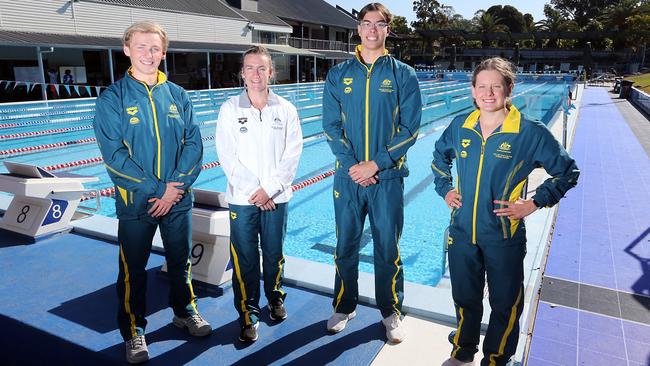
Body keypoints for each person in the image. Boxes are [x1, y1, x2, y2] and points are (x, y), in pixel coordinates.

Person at [431, 57, 579, 366]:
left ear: (508, 89)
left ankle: (496, 359)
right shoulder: (461, 126)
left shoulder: (529, 132)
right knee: (465, 298)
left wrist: (534, 202)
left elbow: (567, 172)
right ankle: (462, 352)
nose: (488, 93)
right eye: (482, 86)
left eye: (495, 87)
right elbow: (438, 157)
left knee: (505, 304)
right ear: (472, 90)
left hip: (503, 235)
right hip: (462, 233)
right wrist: (445, 188)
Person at [93, 21, 209, 364]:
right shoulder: (113, 98)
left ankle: (185, 311)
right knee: (132, 269)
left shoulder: (177, 95)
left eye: (155, 48)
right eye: (141, 47)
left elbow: (194, 145)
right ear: (127, 49)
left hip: (178, 201)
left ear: (164, 52)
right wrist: (160, 190)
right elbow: (114, 157)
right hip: (136, 203)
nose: (148, 54)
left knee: (180, 261)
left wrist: (175, 190)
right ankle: (132, 330)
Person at [321, 2, 422, 344]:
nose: (372, 30)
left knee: (387, 247)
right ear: (359, 28)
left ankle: (390, 311)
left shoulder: (402, 74)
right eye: (367, 23)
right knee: (345, 244)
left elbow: (410, 129)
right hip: (348, 178)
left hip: (387, 178)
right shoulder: (339, 74)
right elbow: (330, 126)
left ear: (387, 30)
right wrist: (354, 166)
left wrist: (375, 165)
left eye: (379, 24)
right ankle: (343, 304)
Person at [215, 45, 303, 343]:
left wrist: (271, 189)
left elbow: (293, 154)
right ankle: (248, 313)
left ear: (271, 72)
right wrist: (256, 190)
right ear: (242, 73)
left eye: (261, 68)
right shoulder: (230, 108)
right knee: (246, 258)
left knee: (275, 252)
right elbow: (226, 156)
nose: (256, 74)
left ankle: (275, 298)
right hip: (243, 198)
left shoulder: (286, 109)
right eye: (250, 68)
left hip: (277, 197)